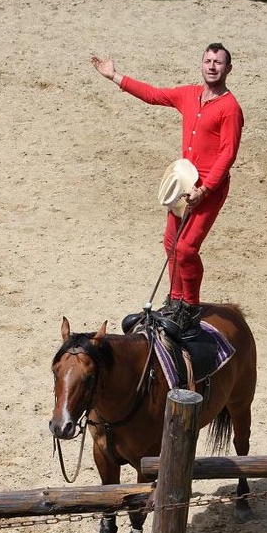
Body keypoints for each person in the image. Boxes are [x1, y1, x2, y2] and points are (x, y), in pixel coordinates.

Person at [91, 43, 244, 337]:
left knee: (187, 248)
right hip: (183, 182)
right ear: (201, 64)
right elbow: (153, 95)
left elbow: (228, 154)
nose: (212, 66)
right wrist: (114, 76)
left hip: (208, 188)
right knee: (171, 243)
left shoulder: (230, 108)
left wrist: (206, 189)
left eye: (219, 63)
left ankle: (190, 305)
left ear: (228, 69)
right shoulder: (188, 94)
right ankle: (174, 300)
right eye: (208, 61)